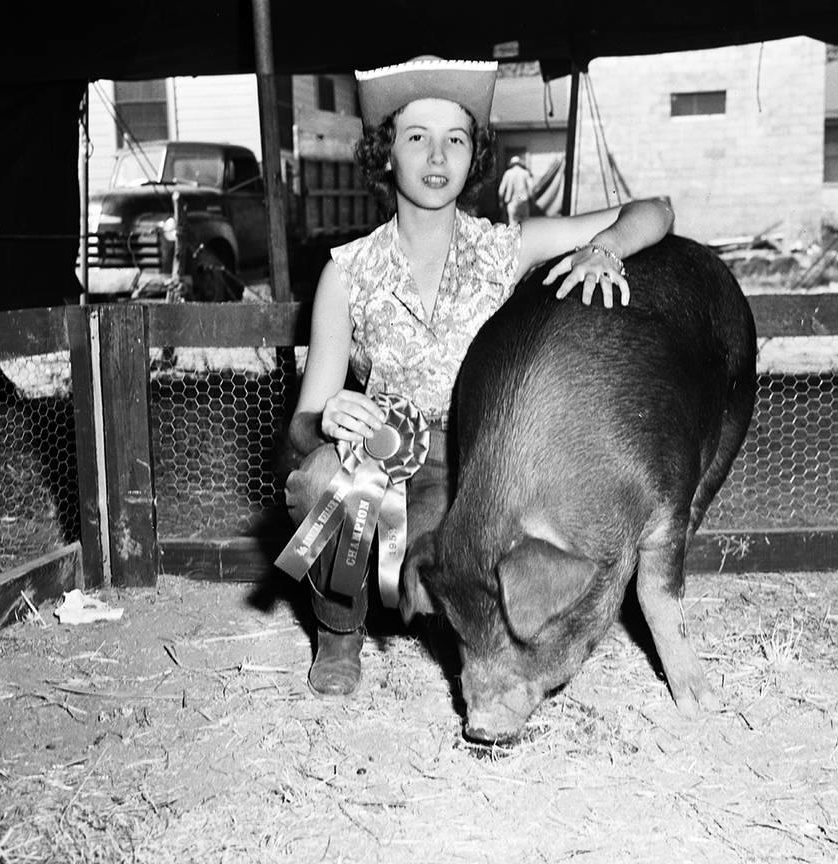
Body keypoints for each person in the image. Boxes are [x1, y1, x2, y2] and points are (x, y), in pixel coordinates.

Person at [280, 55, 675, 697]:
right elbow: (302, 428)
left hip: (478, 475)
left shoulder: (503, 249)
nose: (438, 157)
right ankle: (339, 631)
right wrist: (325, 418)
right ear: (385, 155)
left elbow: (653, 210)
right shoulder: (345, 273)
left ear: (473, 156)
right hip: (387, 477)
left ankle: (458, 617)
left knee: (500, 561)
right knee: (323, 477)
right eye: (417, 138)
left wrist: (606, 249)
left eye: (456, 139)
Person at [498, 155, 533, 224]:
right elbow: (531, 189)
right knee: (522, 225)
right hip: (523, 202)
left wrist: (501, 201)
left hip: (512, 202)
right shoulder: (525, 173)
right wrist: (532, 200)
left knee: (513, 225)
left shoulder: (508, 173)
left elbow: (501, 191)